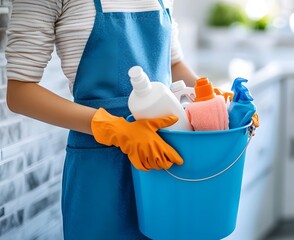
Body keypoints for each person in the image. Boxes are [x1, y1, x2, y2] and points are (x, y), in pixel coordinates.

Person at [6, 0, 198, 239]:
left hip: (165, 160)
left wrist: (214, 100)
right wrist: (114, 128)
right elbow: (20, 93)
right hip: (100, 168)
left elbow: (174, 62)